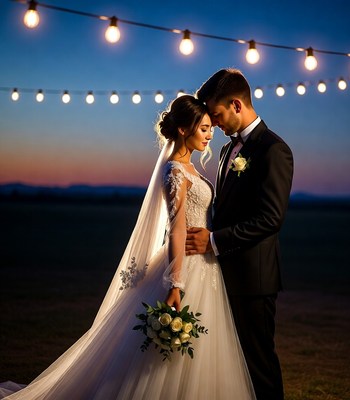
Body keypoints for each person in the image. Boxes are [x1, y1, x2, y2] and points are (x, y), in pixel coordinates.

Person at [0, 95, 256, 400]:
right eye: (203, 128)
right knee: (167, 353)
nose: (210, 133)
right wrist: (175, 282)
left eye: (209, 128)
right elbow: (175, 228)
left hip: (207, 264)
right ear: (184, 130)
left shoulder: (190, 168)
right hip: (185, 264)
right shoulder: (175, 170)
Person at [186, 69, 294, 399]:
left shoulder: (273, 149)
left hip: (254, 279)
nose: (213, 124)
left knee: (258, 364)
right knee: (230, 366)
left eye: (216, 115)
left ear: (236, 105)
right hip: (221, 276)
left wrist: (214, 240)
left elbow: (270, 218)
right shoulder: (224, 153)